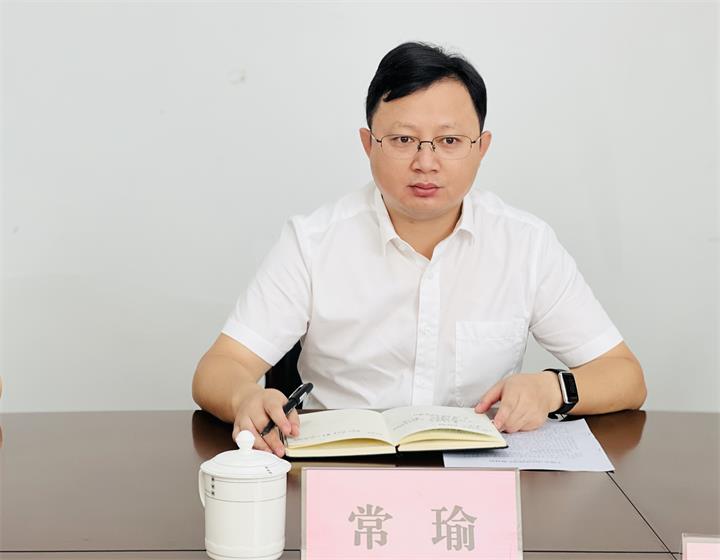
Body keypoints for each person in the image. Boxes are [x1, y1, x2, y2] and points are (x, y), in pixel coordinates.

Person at [192, 42, 646, 457]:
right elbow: (220, 367)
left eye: (449, 141)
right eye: (403, 140)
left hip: (478, 477)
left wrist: (553, 390)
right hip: (345, 467)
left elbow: (625, 377)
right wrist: (245, 396)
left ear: (481, 148)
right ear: (368, 145)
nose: (425, 162)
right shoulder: (312, 242)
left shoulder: (526, 244)